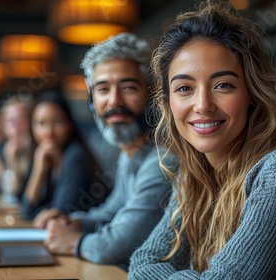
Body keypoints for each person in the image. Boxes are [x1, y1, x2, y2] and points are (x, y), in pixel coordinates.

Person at [129, 1, 276, 279]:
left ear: (252, 95)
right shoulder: (194, 177)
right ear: (168, 103)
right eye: (184, 88)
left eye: (223, 85)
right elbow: (141, 263)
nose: (203, 104)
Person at [33, 33, 174, 270]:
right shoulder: (130, 153)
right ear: (91, 99)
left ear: (151, 95)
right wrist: (72, 221)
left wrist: (75, 242)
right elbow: (111, 211)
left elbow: (118, 243)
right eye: (103, 89)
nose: (114, 101)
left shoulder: (164, 158)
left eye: (128, 87)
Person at [21, 89, 107, 219]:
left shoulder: (76, 156)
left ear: (69, 124)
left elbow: (59, 213)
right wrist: (39, 170)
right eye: (41, 124)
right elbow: (26, 210)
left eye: (57, 122)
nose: (48, 131)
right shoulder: (42, 155)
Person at [0, 93, 35, 201]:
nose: (16, 126)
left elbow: (18, 194)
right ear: (3, 125)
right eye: (11, 121)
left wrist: (12, 163)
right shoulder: (6, 148)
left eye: (22, 120)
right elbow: (8, 194)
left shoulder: (36, 152)